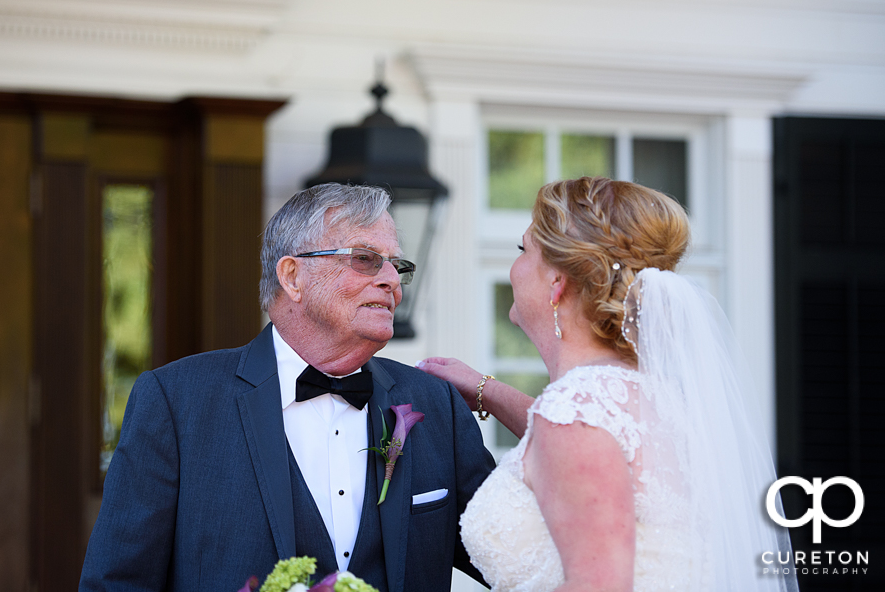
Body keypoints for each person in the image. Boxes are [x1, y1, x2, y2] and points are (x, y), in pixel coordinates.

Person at [79, 183, 495, 592]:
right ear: (292, 276)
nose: (391, 280)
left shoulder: (435, 403)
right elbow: (117, 583)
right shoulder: (176, 402)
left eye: (396, 265)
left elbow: (521, 560)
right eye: (366, 259)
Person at [418, 177, 797, 592]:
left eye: (523, 250)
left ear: (557, 281)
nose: (515, 267)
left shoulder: (577, 410)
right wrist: (484, 389)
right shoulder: (651, 398)